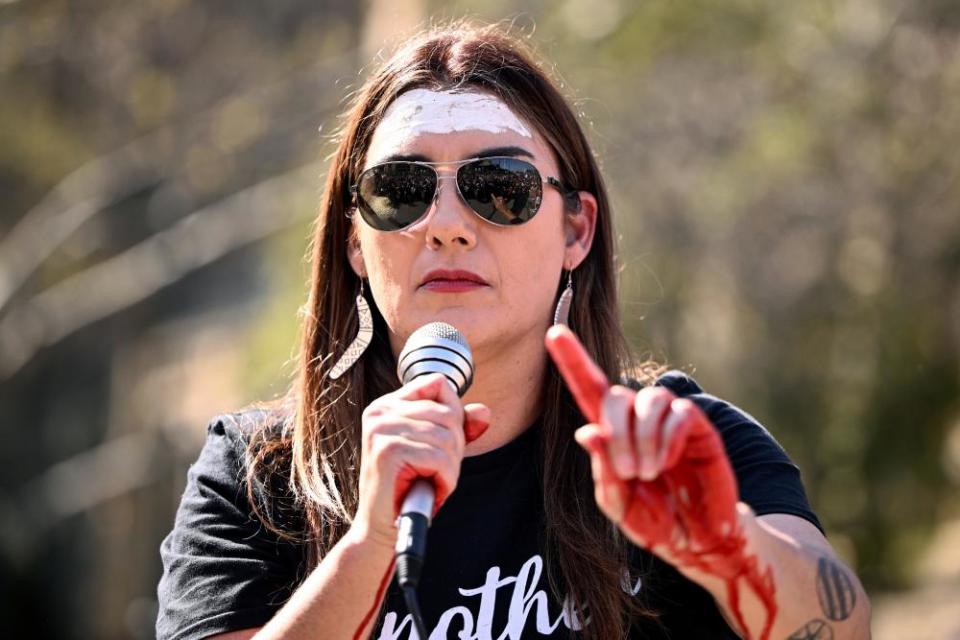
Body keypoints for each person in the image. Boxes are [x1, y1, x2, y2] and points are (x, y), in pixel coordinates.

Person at [156, 21, 871, 640]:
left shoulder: (675, 449)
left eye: (500, 187)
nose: (446, 227)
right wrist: (370, 546)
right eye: (400, 190)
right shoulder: (258, 477)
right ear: (353, 242)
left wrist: (726, 549)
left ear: (576, 231)